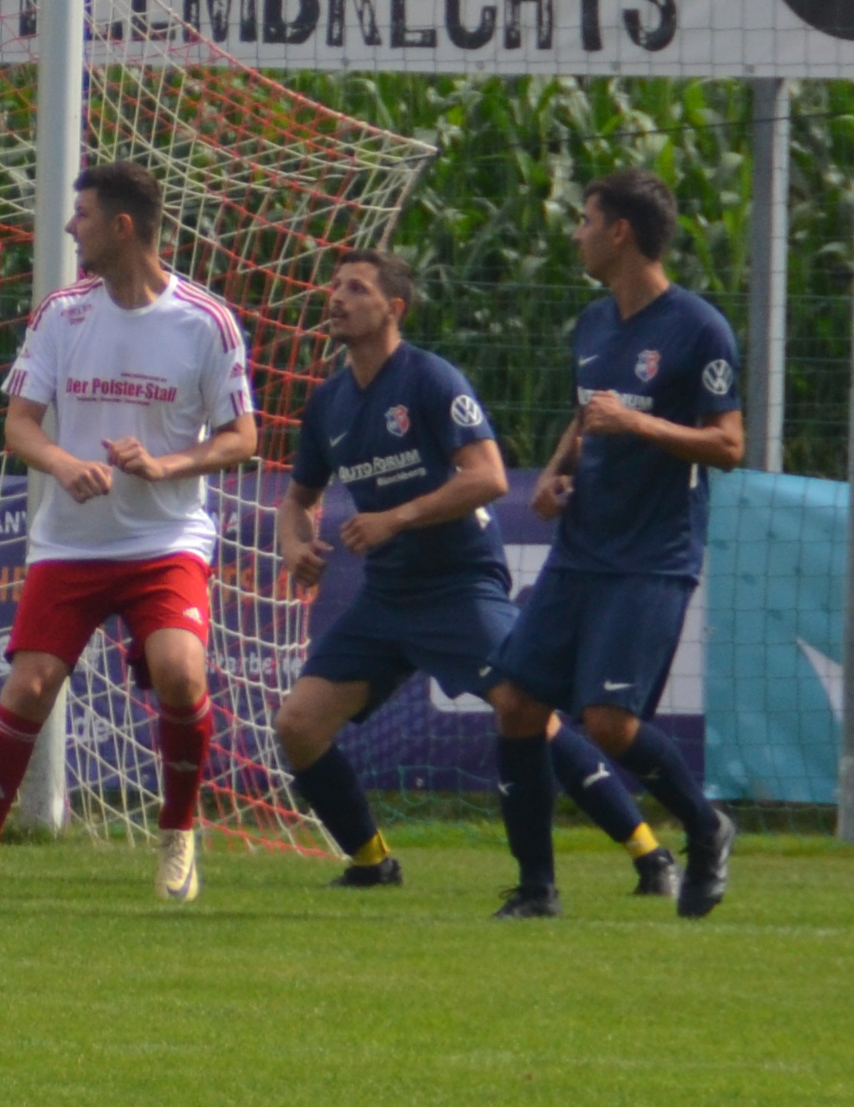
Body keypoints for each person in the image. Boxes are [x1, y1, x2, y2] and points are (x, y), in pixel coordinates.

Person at [272, 249, 672, 897]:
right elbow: (298, 500)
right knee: (298, 723)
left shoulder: (430, 380)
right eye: (334, 286)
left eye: (355, 288)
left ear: (393, 310)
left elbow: (486, 477)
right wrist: (295, 544)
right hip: (388, 597)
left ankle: (649, 853)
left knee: (525, 709)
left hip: (459, 586)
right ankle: (372, 863)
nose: (335, 297)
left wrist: (396, 518)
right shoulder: (330, 403)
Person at [0, 162, 264, 907]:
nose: (70, 228)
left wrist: (165, 466)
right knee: (28, 688)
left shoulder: (205, 320)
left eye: (82, 215)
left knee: (182, 675)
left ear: (123, 228)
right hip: (73, 543)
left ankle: (178, 837)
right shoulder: (63, 313)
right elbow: (19, 426)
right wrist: (63, 463)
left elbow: (242, 436)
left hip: (166, 541)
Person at [485, 170, 742, 921]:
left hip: (652, 555)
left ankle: (705, 827)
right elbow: (588, 413)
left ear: (619, 232)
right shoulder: (594, 324)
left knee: (609, 724)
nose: (576, 233)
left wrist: (638, 426)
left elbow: (728, 445)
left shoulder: (699, 329)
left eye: (586, 219)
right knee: (516, 703)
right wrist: (555, 474)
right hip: (582, 548)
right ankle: (537, 890)